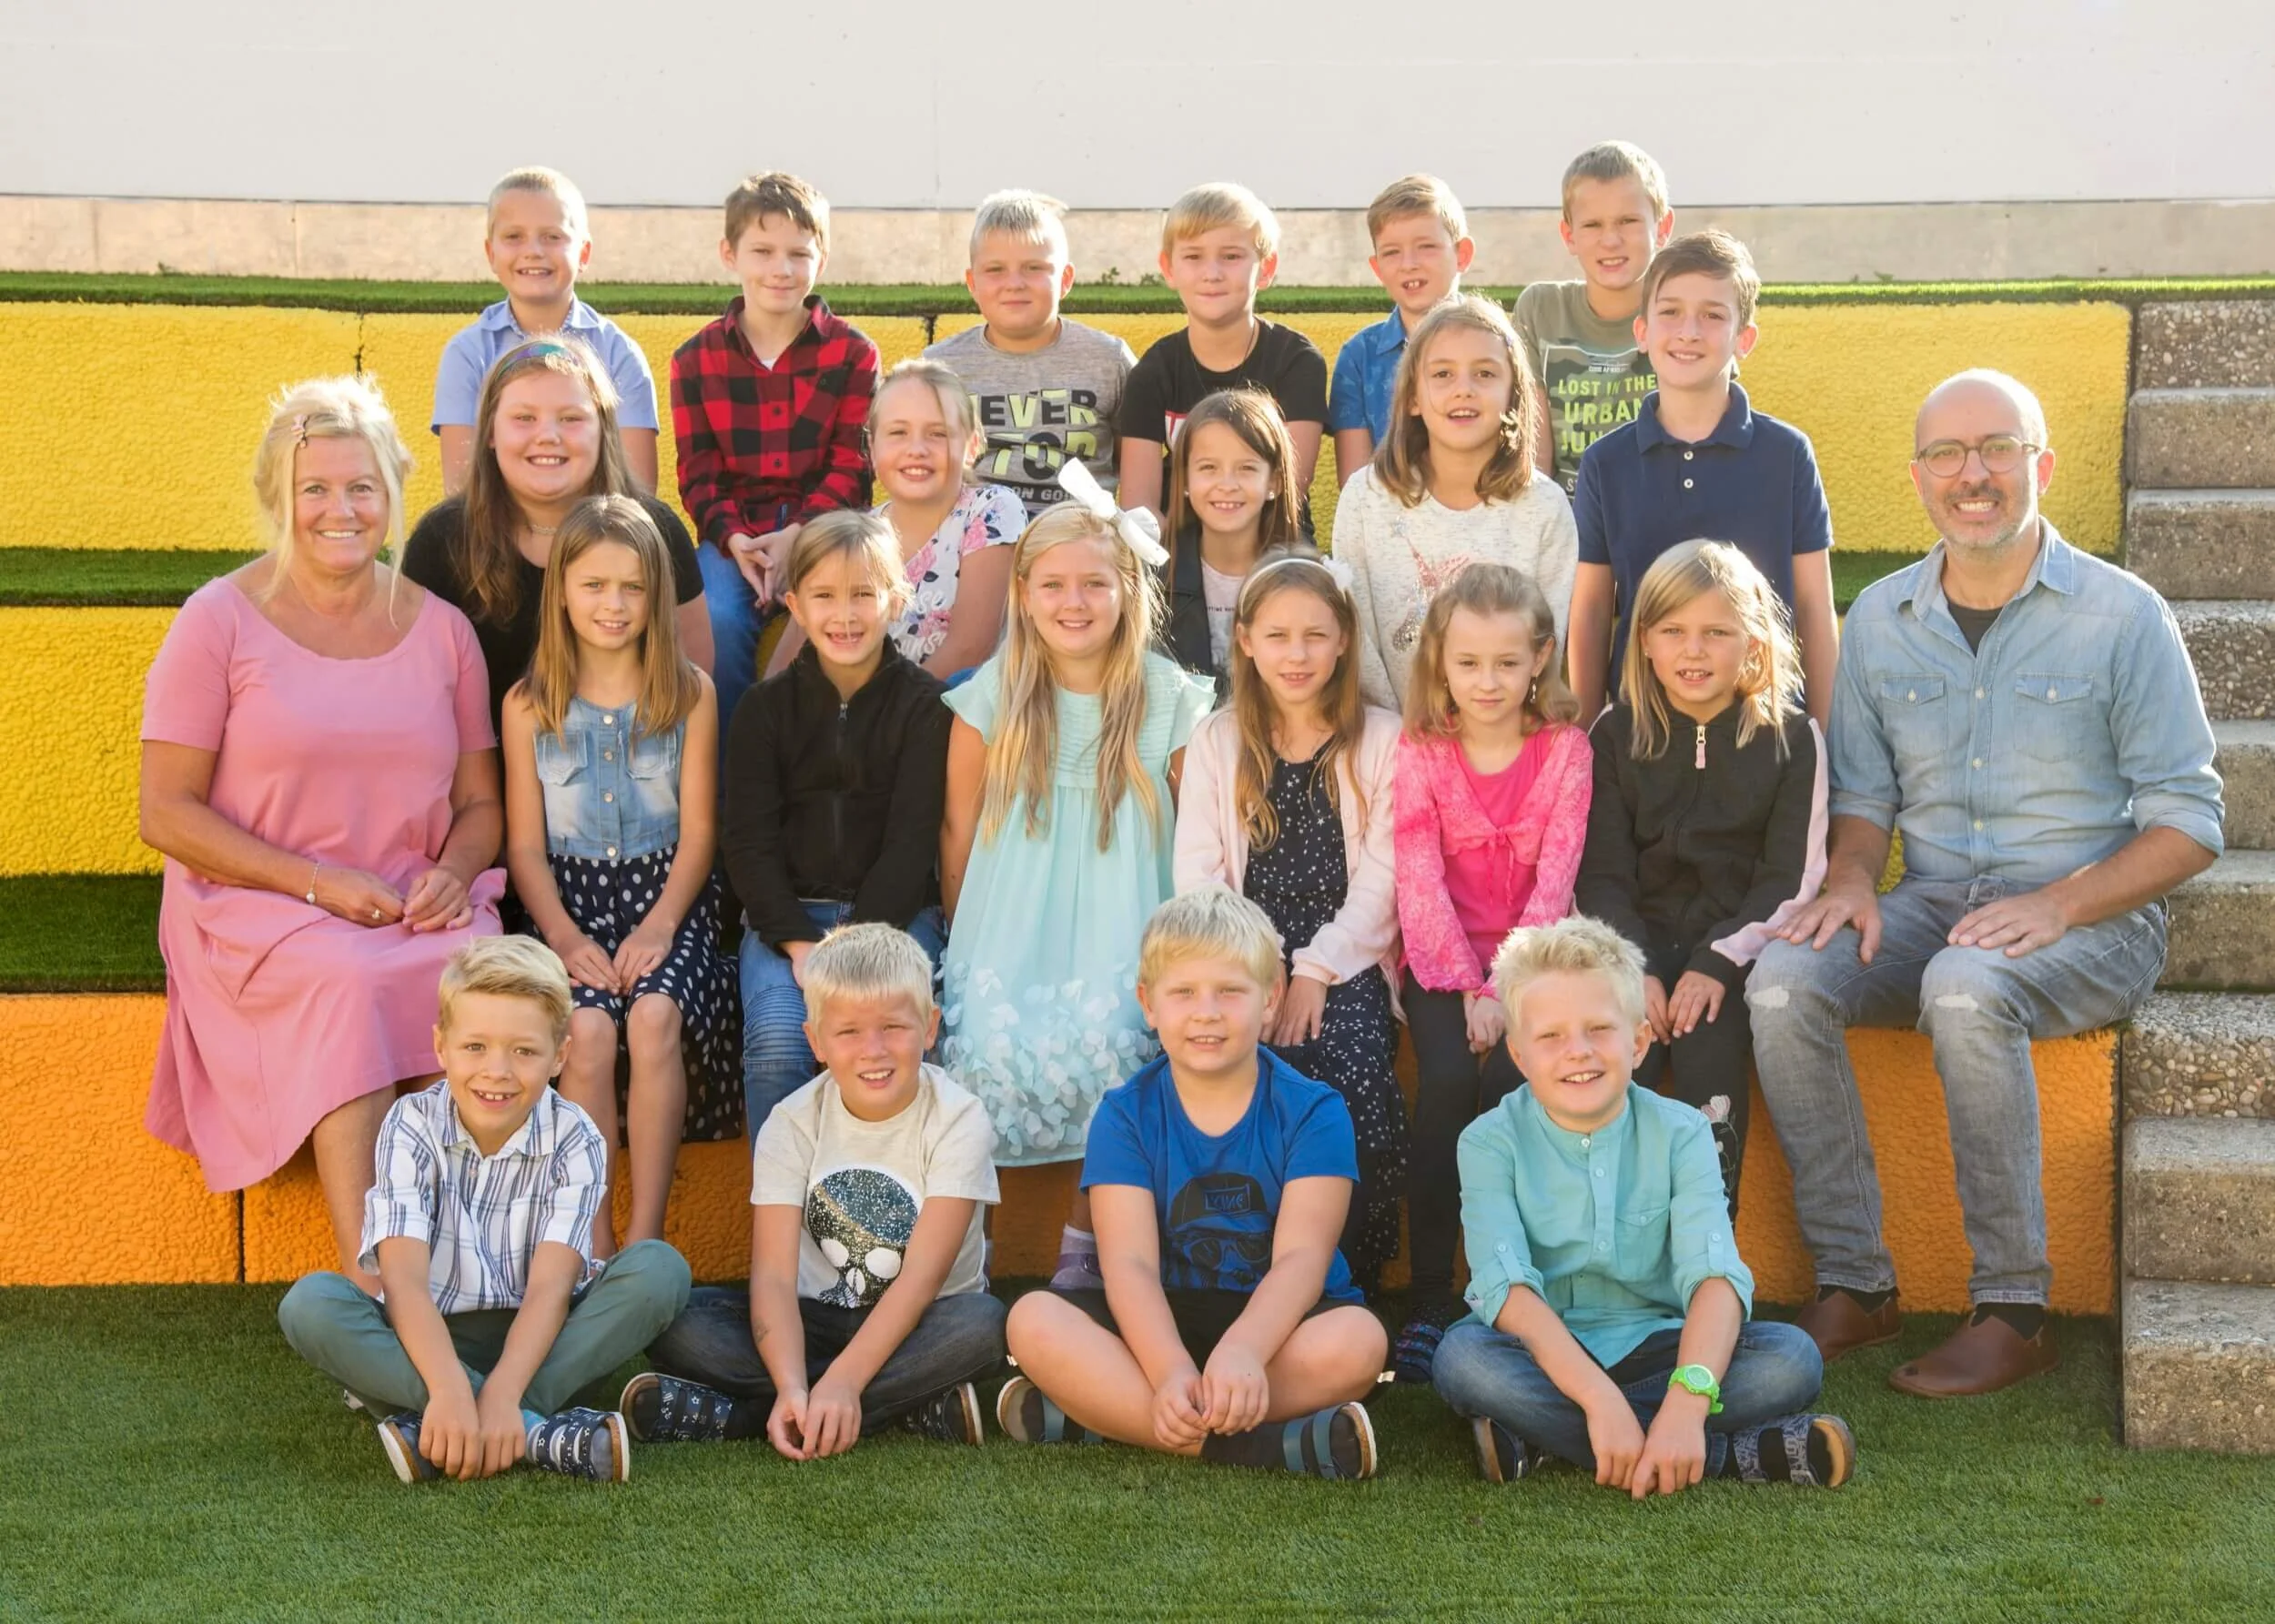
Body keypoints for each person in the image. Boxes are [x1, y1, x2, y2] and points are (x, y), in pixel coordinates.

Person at [1748, 368, 2224, 1397]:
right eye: (1948, 455)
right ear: (1918, 478)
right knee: (1783, 983)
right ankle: (1856, 1284)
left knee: (1964, 991)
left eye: (1997, 448)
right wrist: (1853, 879)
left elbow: (2191, 823)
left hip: (2093, 916)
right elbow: (1864, 798)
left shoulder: (2122, 615)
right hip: (1934, 906)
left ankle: (2014, 1309)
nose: (1973, 474)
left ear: (2039, 465)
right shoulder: (1883, 618)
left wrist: (2059, 903)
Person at [140, 377, 505, 1292]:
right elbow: (166, 811)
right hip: (260, 905)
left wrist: (456, 871)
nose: (340, 510)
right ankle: (380, 1289)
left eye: (361, 488)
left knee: (480, 986)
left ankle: (474, 1280)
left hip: (409, 898)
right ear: (278, 497)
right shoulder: (217, 621)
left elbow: (481, 805)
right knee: (350, 984)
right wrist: (315, 883)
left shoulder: (445, 633)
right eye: (315, 488)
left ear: (393, 494)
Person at [1431, 918, 1854, 1492]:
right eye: (1550, 1036)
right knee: (1462, 1360)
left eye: (1599, 1029)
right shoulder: (1487, 1141)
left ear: (1638, 1041)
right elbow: (1506, 1290)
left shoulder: (1683, 1132)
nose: (1578, 1051)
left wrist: (1687, 1400)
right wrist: (1598, 1398)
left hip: (1662, 1345)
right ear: (1519, 1055)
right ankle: (1727, 1454)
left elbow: (1714, 1277)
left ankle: (1549, 1439)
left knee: (1792, 1359)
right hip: (1540, 1352)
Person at [997, 888, 1388, 1480]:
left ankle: (1103, 1417)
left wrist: (1246, 1348)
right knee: (1031, 1321)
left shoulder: (1315, 1111)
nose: (1207, 1012)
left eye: (1230, 991)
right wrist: (1168, 1370)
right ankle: (1260, 1446)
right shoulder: (1124, 1114)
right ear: (1148, 1003)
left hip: (1279, 1324)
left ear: (1270, 998)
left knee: (1360, 1342)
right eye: (1183, 992)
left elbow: (1302, 1260)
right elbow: (1129, 1266)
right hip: (1160, 1317)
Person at [277, 936, 692, 1485]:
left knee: (660, 1269)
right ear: (441, 1046)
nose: (496, 1071)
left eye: (524, 1051)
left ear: (560, 1055)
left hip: (545, 1343)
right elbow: (405, 1285)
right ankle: (535, 1432)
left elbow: (549, 1291)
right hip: (428, 1342)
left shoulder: (576, 1138)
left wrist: (503, 1393)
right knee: (310, 1305)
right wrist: (451, 1388)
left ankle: (445, 1427)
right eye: (475, 1046)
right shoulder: (411, 1124)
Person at [937, 498, 1214, 1286]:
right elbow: (958, 828)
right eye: (1053, 585)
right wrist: (964, 937)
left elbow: (1194, 840)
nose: (1074, 602)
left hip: (1127, 927)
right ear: (1023, 595)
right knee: (986, 1053)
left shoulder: (1169, 698)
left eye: (1094, 583)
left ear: (1128, 587)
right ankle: (969, 1261)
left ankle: (1083, 1257)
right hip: (1007, 926)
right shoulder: (995, 694)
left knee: (1118, 1059)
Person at [629, 924, 1008, 1454]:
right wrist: (790, 1382)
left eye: (893, 1027)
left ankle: (743, 1416)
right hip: (816, 1319)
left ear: (929, 1027)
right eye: (848, 1031)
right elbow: (773, 1278)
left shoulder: (959, 1119)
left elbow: (921, 1279)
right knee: (677, 1323)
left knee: (985, 1327)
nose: (873, 1051)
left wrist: (845, 1382)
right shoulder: (792, 1122)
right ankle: (903, 1404)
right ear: (816, 1042)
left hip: (925, 1317)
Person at [500, 495, 739, 1255]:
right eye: (595, 585)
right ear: (562, 593)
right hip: (566, 911)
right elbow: (525, 848)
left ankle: (646, 1241)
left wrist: (661, 925)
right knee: (589, 1028)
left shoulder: (689, 694)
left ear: (656, 595)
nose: (614, 604)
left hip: (667, 902)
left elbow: (699, 833)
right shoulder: (529, 705)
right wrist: (564, 937)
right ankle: (594, 1241)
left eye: (632, 587)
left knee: (655, 1014)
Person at [1174, 554, 1407, 1290]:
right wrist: (1262, 962)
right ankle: (1238, 1266)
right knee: (1229, 1071)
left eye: (1315, 635)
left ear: (1344, 640)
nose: (1296, 654)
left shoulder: (1382, 739)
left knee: (1350, 1067)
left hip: (1346, 957)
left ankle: (1349, 1273)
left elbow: (1384, 879)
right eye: (1277, 636)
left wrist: (1312, 970)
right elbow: (1199, 874)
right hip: (1242, 956)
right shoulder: (1218, 740)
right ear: (1245, 641)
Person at [1574, 540, 1825, 1214]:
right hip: (1632, 954)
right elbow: (1598, 872)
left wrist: (1717, 961)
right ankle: (1600, 1242)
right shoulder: (1615, 735)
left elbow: (1791, 879)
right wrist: (1635, 968)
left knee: (1708, 1053)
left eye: (1717, 632)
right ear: (1644, 642)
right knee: (1612, 1055)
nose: (1694, 651)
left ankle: (1708, 1242)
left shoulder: (1791, 740)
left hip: (1732, 958)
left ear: (1753, 642)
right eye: (1673, 631)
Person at [1390, 562, 1592, 1381]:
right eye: (1469, 662)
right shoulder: (1423, 750)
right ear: (1440, 661)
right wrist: (1468, 988)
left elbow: (1556, 879)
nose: (1488, 681)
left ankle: (1509, 1286)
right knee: (1445, 1079)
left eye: (1508, 663)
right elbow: (1418, 879)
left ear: (1540, 658)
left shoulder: (1566, 750)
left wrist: (1505, 988)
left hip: (1533, 967)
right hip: (1440, 961)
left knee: (1513, 1083)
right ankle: (1430, 1292)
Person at [724, 512, 952, 1133]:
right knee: (779, 1042)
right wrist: (801, 945)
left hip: (896, 920)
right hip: (785, 924)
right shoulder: (763, 710)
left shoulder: (926, 708)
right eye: (824, 596)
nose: (844, 615)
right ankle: (781, 1197)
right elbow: (747, 843)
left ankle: (894, 1186)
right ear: (795, 605)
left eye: (862, 594)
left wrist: (851, 949)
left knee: (891, 1042)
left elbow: (911, 843)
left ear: (896, 599)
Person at [1567, 230, 1838, 727]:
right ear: (1642, 331)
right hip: (1642, 730)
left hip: (1763, 728)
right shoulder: (1606, 462)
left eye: (1713, 315)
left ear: (1744, 339)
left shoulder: (1787, 454)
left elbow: (1814, 607)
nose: (1689, 331)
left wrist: (1823, 737)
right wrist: (1581, 742)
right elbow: (1591, 610)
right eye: (1670, 312)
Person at [403, 337, 713, 734]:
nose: (548, 435)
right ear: (491, 432)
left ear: (603, 429)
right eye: (524, 418)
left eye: (571, 418)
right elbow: (416, 692)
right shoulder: (441, 541)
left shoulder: (656, 531)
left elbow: (692, 679)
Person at [672, 170, 879, 747]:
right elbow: (698, 473)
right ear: (730, 254)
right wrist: (737, 540)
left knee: (841, 617)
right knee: (715, 619)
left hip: (828, 530)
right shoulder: (695, 359)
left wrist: (797, 536)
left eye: (799, 254)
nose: (781, 269)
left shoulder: (854, 353)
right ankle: (728, 772)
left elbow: (852, 465)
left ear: (822, 260)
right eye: (762, 251)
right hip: (734, 536)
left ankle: (818, 764)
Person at [1336, 296, 1579, 714]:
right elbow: (1357, 639)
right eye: (1442, 374)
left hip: (1504, 738)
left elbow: (1546, 644)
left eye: (1485, 373)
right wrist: (1397, 737)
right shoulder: (1364, 498)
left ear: (1513, 395)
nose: (1463, 388)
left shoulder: (1545, 507)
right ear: (1412, 397)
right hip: (1390, 737)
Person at [769, 358, 1025, 679]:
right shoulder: (855, 535)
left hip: (951, 700)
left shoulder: (992, 510)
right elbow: (786, 662)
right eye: (898, 432)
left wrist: (886, 710)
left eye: (938, 433)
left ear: (971, 446)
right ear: (872, 447)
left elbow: (969, 649)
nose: (916, 449)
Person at [430, 166, 659, 496]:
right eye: (514, 237)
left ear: (584, 253)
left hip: (598, 525)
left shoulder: (618, 354)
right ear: (491, 254)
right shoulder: (467, 354)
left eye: (553, 237)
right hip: (494, 525)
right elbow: (462, 491)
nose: (534, 251)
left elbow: (637, 494)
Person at [1117, 183, 1329, 537]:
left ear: (1266, 267)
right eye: (1193, 257)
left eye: (1231, 256)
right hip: (1177, 547)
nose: (1212, 273)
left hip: (1275, 540)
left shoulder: (1296, 362)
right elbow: (1140, 509)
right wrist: (1177, 562)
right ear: (1168, 268)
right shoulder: (1153, 372)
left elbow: (1288, 490)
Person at [924, 189, 1137, 519]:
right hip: (975, 533)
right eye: (995, 269)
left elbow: (1138, 464)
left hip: (1078, 533)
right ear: (972, 282)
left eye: (1034, 267)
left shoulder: (1109, 360)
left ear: (1065, 279)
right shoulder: (940, 368)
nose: (1014, 283)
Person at [1513, 140, 1673, 492]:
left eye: (1628, 221)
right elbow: (1535, 455)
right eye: (1592, 225)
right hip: (1567, 514)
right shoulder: (1540, 309)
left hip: (1660, 509)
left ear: (1662, 227)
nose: (1611, 240)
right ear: (1569, 235)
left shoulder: (1685, 312)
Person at [1329, 174, 1474, 482]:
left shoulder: (1499, 345)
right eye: (1392, 252)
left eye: (1426, 247)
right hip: (1388, 509)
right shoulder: (1359, 357)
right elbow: (1355, 484)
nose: (1409, 264)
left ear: (1462, 255)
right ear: (1377, 267)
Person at [1159, 388, 1304, 698]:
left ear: (1275, 482)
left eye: (1246, 468)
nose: (1227, 485)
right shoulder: (1154, 584)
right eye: (1208, 468)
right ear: (1184, 479)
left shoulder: (1309, 583)